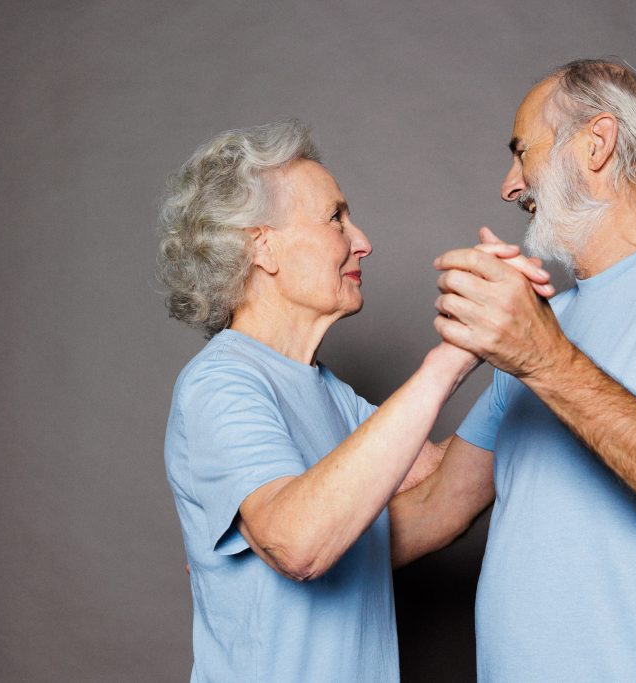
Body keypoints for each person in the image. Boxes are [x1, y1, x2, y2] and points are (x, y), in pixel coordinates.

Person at [396, 58, 636, 681]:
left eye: (521, 150)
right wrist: (280, 541)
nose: (509, 185)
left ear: (598, 143)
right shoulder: (547, 323)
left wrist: (544, 358)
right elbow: (436, 502)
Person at [156, 119, 550, 681]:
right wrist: (452, 358)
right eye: (335, 218)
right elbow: (298, 544)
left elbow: (443, 496)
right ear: (262, 246)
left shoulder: (327, 393)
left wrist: (527, 359)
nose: (361, 240)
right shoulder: (220, 385)